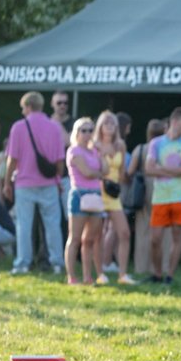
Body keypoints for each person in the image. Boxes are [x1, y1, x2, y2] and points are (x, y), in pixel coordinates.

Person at [3, 91, 67, 275]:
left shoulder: (18, 127)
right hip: (49, 183)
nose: (22, 112)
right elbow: (59, 161)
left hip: (24, 183)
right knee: (52, 225)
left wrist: (7, 183)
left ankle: (23, 263)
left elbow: (12, 160)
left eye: (23, 108)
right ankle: (57, 263)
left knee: (24, 225)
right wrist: (57, 180)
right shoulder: (54, 127)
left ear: (29, 106)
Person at [145, 107, 181, 285]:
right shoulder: (156, 143)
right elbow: (149, 168)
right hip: (160, 198)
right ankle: (157, 273)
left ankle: (170, 275)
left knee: (177, 236)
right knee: (155, 239)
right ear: (174, 122)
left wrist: (161, 168)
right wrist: (176, 170)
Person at [93, 110, 134, 285]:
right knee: (97, 235)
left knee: (124, 232)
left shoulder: (120, 145)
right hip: (98, 191)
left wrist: (119, 187)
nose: (109, 126)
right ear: (100, 126)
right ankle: (100, 273)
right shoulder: (94, 145)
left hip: (114, 194)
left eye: (112, 123)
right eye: (106, 123)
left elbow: (123, 172)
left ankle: (122, 274)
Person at [65, 117, 106, 286]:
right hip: (80, 195)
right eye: (84, 130)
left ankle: (87, 277)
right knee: (75, 238)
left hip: (95, 196)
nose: (88, 134)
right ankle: (72, 277)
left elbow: (106, 169)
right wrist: (99, 174)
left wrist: (101, 153)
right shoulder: (73, 151)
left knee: (89, 240)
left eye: (90, 130)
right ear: (76, 133)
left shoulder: (94, 151)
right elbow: (87, 172)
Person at [128, 118, 167, 275]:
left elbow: (130, 171)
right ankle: (162, 266)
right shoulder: (166, 149)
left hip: (144, 190)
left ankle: (141, 266)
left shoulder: (140, 149)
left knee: (143, 229)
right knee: (164, 230)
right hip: (163, 189)